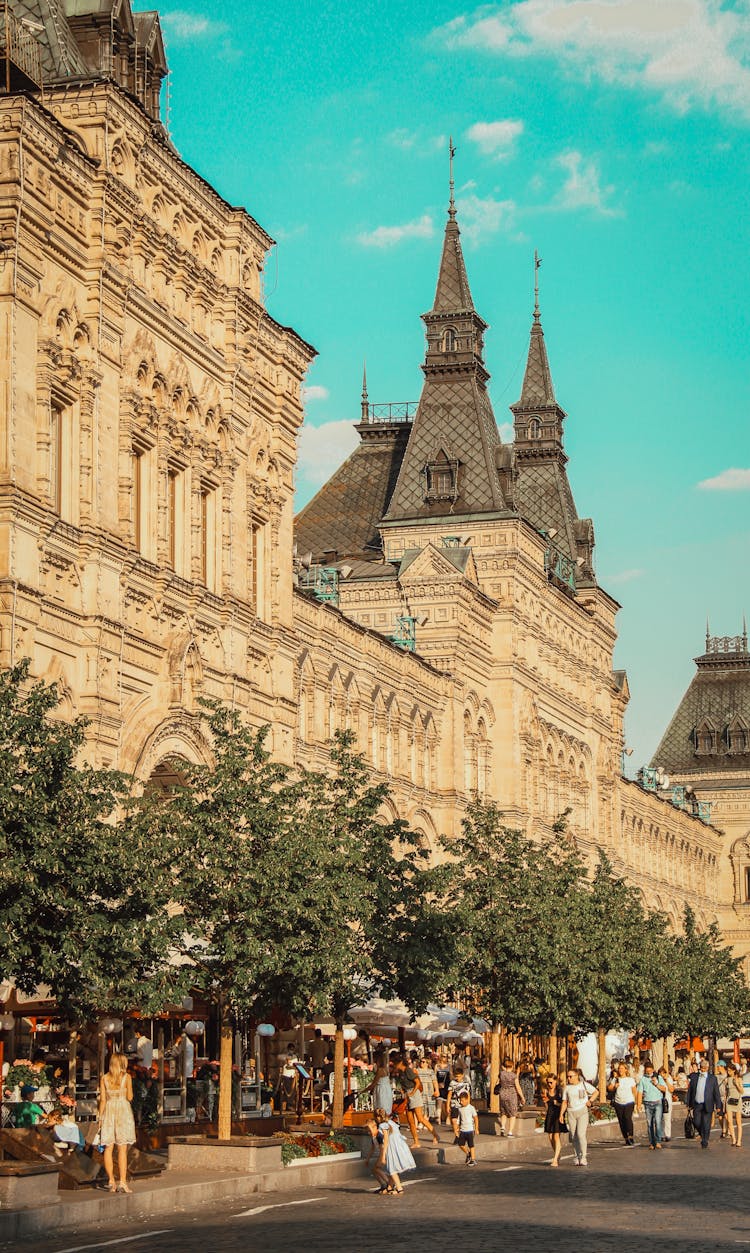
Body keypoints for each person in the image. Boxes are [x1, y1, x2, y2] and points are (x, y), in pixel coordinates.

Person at [98, 1053, 136, 1193]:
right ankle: (123, 1182)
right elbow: (130, 1097)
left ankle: (111, 1181)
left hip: (108, 1111)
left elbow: (102, 1100)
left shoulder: (104, 1078)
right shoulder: (126, 1077)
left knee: (108, 1147)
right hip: (123, 1112)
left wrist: (100, 1118)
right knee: (122, 1148)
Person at [396, 1054, 439, 1148]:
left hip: (414, 1094)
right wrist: (403, 1091)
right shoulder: (401, 1073)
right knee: (410, 1121)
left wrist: (412, 1092)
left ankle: (435, 1134)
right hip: (407, 1094)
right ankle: (416, 1142)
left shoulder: (408, 1070)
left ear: (400, 1063)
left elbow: (417, 1082)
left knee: (420, 1118)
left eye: (396, 1063)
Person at [374, 1106, 415, 1195]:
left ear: (378, 1117)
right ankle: (390, 1186)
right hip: (400, 1145)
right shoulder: (391, 1122)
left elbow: (386, 1140)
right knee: (394, 1166)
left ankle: (399, 1188)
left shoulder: (383, 1125)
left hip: (392, 1147)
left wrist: (383, 1155)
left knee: (392, 1168)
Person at [560, 1067, 596, 1166]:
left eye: (570, 1076)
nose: (569, 1078)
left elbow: (596, 1092)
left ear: (577, 1076)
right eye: (567, 1077)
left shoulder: (583, 1085)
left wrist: (590, 1101)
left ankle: (583, 1156)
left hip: (582, 1111)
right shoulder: (567, 1088)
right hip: (571, 1112)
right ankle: (576, 1156)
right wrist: (561, 1114)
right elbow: (564, 1102)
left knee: (580, 1134)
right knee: (573, 1136)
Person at [686, 1057, 723, 1150]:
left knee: (706, 1123)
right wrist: (688, 1103)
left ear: (707, 1068)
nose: (702, 1070)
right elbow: (690, 1090)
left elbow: (716, 1093)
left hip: (708, 1103)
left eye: (704, 1068)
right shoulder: (694, 1077)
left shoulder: (712, 1078)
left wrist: (718, 1105)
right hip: (697, 1103)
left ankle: (705, 1140)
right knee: (696, 1122)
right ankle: (702, 1134)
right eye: (701, 1068)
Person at [636, 1061, 666, 1150]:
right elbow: (639, 1092)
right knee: (649, 1123)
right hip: (647, 1103)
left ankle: (658, 1141)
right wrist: (638, 1104)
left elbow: (664, 1089)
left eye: (650, 1071)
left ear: (653, 1069)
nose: (648, 1073)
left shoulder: (658, 1077)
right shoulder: (643, 1079)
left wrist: (656, 1083)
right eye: (647, 1071)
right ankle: (652, 1142)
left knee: (657, 1122)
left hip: (657, 1102)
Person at [608, 1061, 638, 1146]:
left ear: (626, 1070)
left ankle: (630, 1136)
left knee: (627, 1118)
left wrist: (636, 1104)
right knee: (621, 1120)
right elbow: (609, 1088)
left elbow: (634, 1091)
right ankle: (625, 1137)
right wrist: (614, 1086)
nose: (620, 1070)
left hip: (629, 1101)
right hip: (618, 1102)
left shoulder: (630, 1080)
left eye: (622, 1068)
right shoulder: (616, 1079)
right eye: (619, 1069)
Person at [496, 1057, 525, 1138]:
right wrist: (522, 1097)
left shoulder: (501, 1074)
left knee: (503, 1112)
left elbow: (497, 1082)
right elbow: (518, 1087)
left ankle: (502, 1127)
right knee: (513, 1114)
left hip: (502, 1094)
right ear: (512, 1066)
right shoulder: (514, 1076)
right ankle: (510, 1132)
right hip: (512, 1095)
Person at [364, 1116, 392, 1193]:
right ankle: (383, 1185)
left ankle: (389, 1183)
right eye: (368, 1131)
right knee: (374, 1170)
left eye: (370, 1130)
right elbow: (372, 1148)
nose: (369, 1133)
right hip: (381, 1154)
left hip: (384, 1154)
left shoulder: (379, 1136)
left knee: (376, 1169)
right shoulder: (374, 1137)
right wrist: (368, 1159)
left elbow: (382, 1148)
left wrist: (382, 1157)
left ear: (375, 1127)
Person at [543, 1073, 565, 1166]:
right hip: (550, 1114)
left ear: (556, 1081)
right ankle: (558, 1153)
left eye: (551, 1082)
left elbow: (565, 1103)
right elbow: (546, 1105)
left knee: (556, 1136)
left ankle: (555, 1159)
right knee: (550, 1137)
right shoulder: (545, 1091)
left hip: (558, 1114)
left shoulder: (560, 1091)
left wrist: (557, 1103)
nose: (549, 1084)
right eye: (548, 1082)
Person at [367, 1051, 394, 1117]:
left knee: (381, 1109)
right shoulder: (385, 1069)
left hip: (382, 1091)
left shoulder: (380, 1070)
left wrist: (363, 1091)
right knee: (383, 1109)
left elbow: (374, 1083)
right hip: (385, 1090)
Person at [456, 1089, 479, 1165]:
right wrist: (457, 1127)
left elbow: (475, 1118)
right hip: (462, 1130)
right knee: (461, 1144)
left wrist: (476, 1128)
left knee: (471, 1145)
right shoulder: (460, 1109)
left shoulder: (471, 1108)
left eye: (462, 1100)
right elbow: (459, 1118)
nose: (461, 1102)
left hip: (470, 1130)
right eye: (460, 1100)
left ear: (467, 1100)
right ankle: (468, 1153)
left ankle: (473, 1159)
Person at [448, 1065, 471, 1138]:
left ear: (462, 1075)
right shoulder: (452, 1083)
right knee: (454, 1121)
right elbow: (449, 1094)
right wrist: (447, 1105)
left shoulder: (466, 1083)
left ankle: (460, 1134)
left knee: (461, 1121)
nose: (457, 1078)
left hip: (463, 1105)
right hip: (454, 1104)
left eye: (459, 1076)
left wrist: (468, 1104)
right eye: (456, 1076)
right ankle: (456, 1135)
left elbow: (468, 1094)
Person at [724, 1063, 743, 1147]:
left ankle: (739, 1141)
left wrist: (736, 1084)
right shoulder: (727, 1079)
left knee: (738, 1122)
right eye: (727, 1070)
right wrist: (724, 1103)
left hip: (737, 1101)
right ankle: (734, 1139)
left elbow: (742, 1091)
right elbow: (726, 1093)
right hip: (729, 1101)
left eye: (730, 1070)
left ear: (734, 1070)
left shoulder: (738, 1078)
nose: (728, 1072)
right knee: (729, 1121)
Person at [658, 1065, 675, 1142]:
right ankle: (660, 1134)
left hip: (667, 1100)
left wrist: (666, 1081)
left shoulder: (669, 1079)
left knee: (667, 1118)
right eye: (660, 1073)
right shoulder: (658, 1079)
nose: (661, 1075)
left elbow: (671, 1089)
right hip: (659, 1100)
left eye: (663, 1073)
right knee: (659, 1118)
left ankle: (667, 1134)